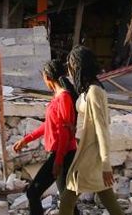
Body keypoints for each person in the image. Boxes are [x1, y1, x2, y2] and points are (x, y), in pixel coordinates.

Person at [57, 46, 124, 215]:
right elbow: (89, 121)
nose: (70, 70)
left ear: (79, 66)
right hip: (87, 150)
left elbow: (102, 128)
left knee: (66, 201)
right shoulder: (88, 89)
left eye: (72, 66)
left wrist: (106, 163)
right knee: (107, 198)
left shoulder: (94, 91)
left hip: (92, 154)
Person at [13, 60, 79, 215]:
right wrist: (26, 139)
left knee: (34, 192)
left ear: (49, 78)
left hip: (62, 153)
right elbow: (49, 125)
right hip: (60, 153)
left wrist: (58, 160)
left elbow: (64, 132)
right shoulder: (58, 96)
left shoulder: (63, 98)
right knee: (66, 199)